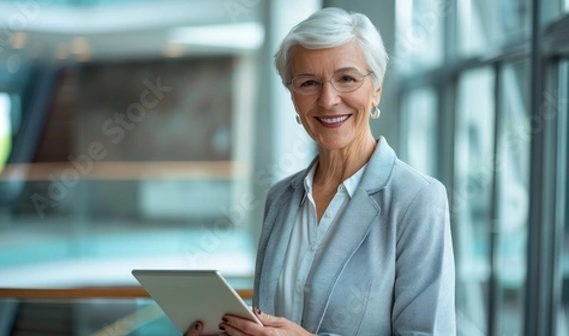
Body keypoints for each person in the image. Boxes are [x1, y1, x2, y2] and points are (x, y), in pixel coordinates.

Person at [186, 7, 455, 336]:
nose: (328, 100)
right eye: (309, 83)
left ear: (376, 90)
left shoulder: (417, 200)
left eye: (347, 79)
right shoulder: (281, 198)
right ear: (293, 97)